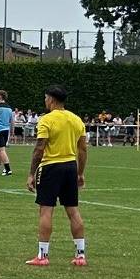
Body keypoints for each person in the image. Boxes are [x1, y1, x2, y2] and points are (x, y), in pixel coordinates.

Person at [25, 86, 89, 267]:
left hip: (51, 168)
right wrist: (80, 172)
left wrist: (31, 173)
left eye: (46, 98)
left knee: (46, 210)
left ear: (51, 100)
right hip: (70, 167)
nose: (45, 101)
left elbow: (39, 148)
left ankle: (42, 256)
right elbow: (83, 149)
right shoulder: (76, 120)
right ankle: (80, 255)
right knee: (73, 210)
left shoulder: (46, 120)